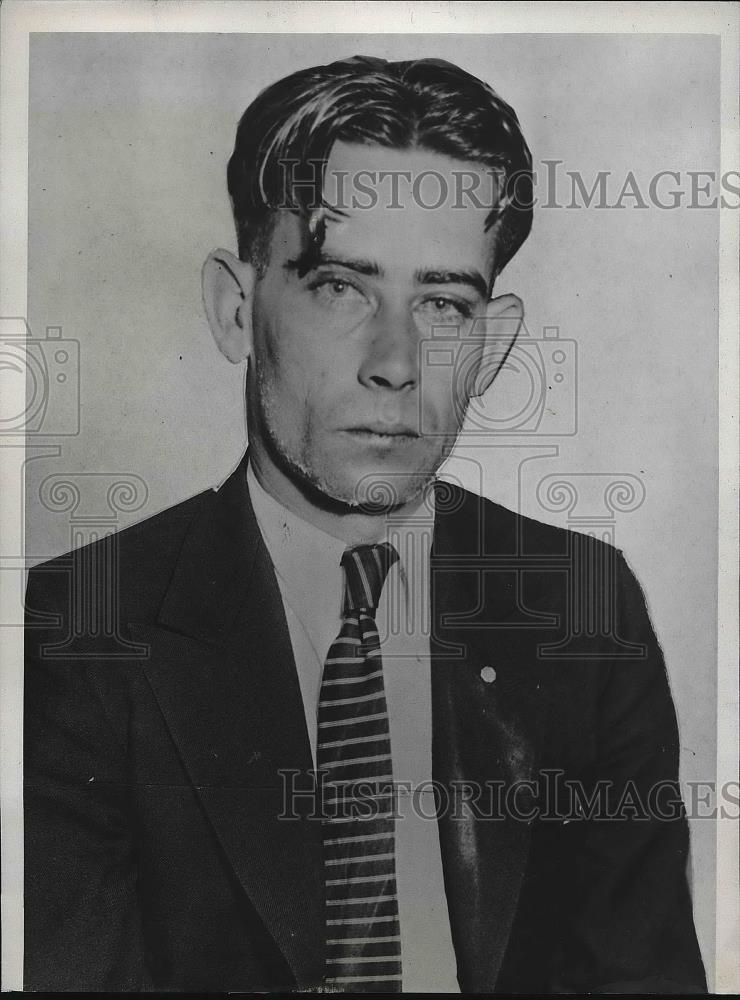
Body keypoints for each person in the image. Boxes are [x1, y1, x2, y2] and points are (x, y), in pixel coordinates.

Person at [24, 55, 707, 993]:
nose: (397, 362)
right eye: (341, 288)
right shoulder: (80, 631)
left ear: (494, 344)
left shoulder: (583, 610)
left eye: (442, 303)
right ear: (235, 307)